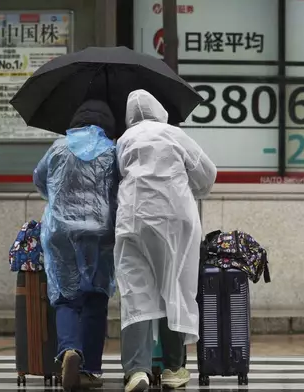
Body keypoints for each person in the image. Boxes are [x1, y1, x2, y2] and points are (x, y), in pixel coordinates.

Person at [114, 89, 217, 392]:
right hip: (175, 220)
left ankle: (137, 370)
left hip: (132, 218)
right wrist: (188, 187)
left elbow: (119, 175)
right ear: (159, 110)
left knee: (136, 290)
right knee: (176, 288)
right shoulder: (174, 134)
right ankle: (173, 368)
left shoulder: (123, 140)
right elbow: (207, 175)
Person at [33, 100, 119, 391]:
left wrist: (58, 203)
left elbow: (39, 178)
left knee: (66, 298)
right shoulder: (112, 151)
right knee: (96, 297)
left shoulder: (58, 147)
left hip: (60, 234)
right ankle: (90, 369)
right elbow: (120, 189)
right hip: (100, 235)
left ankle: (69, 350)